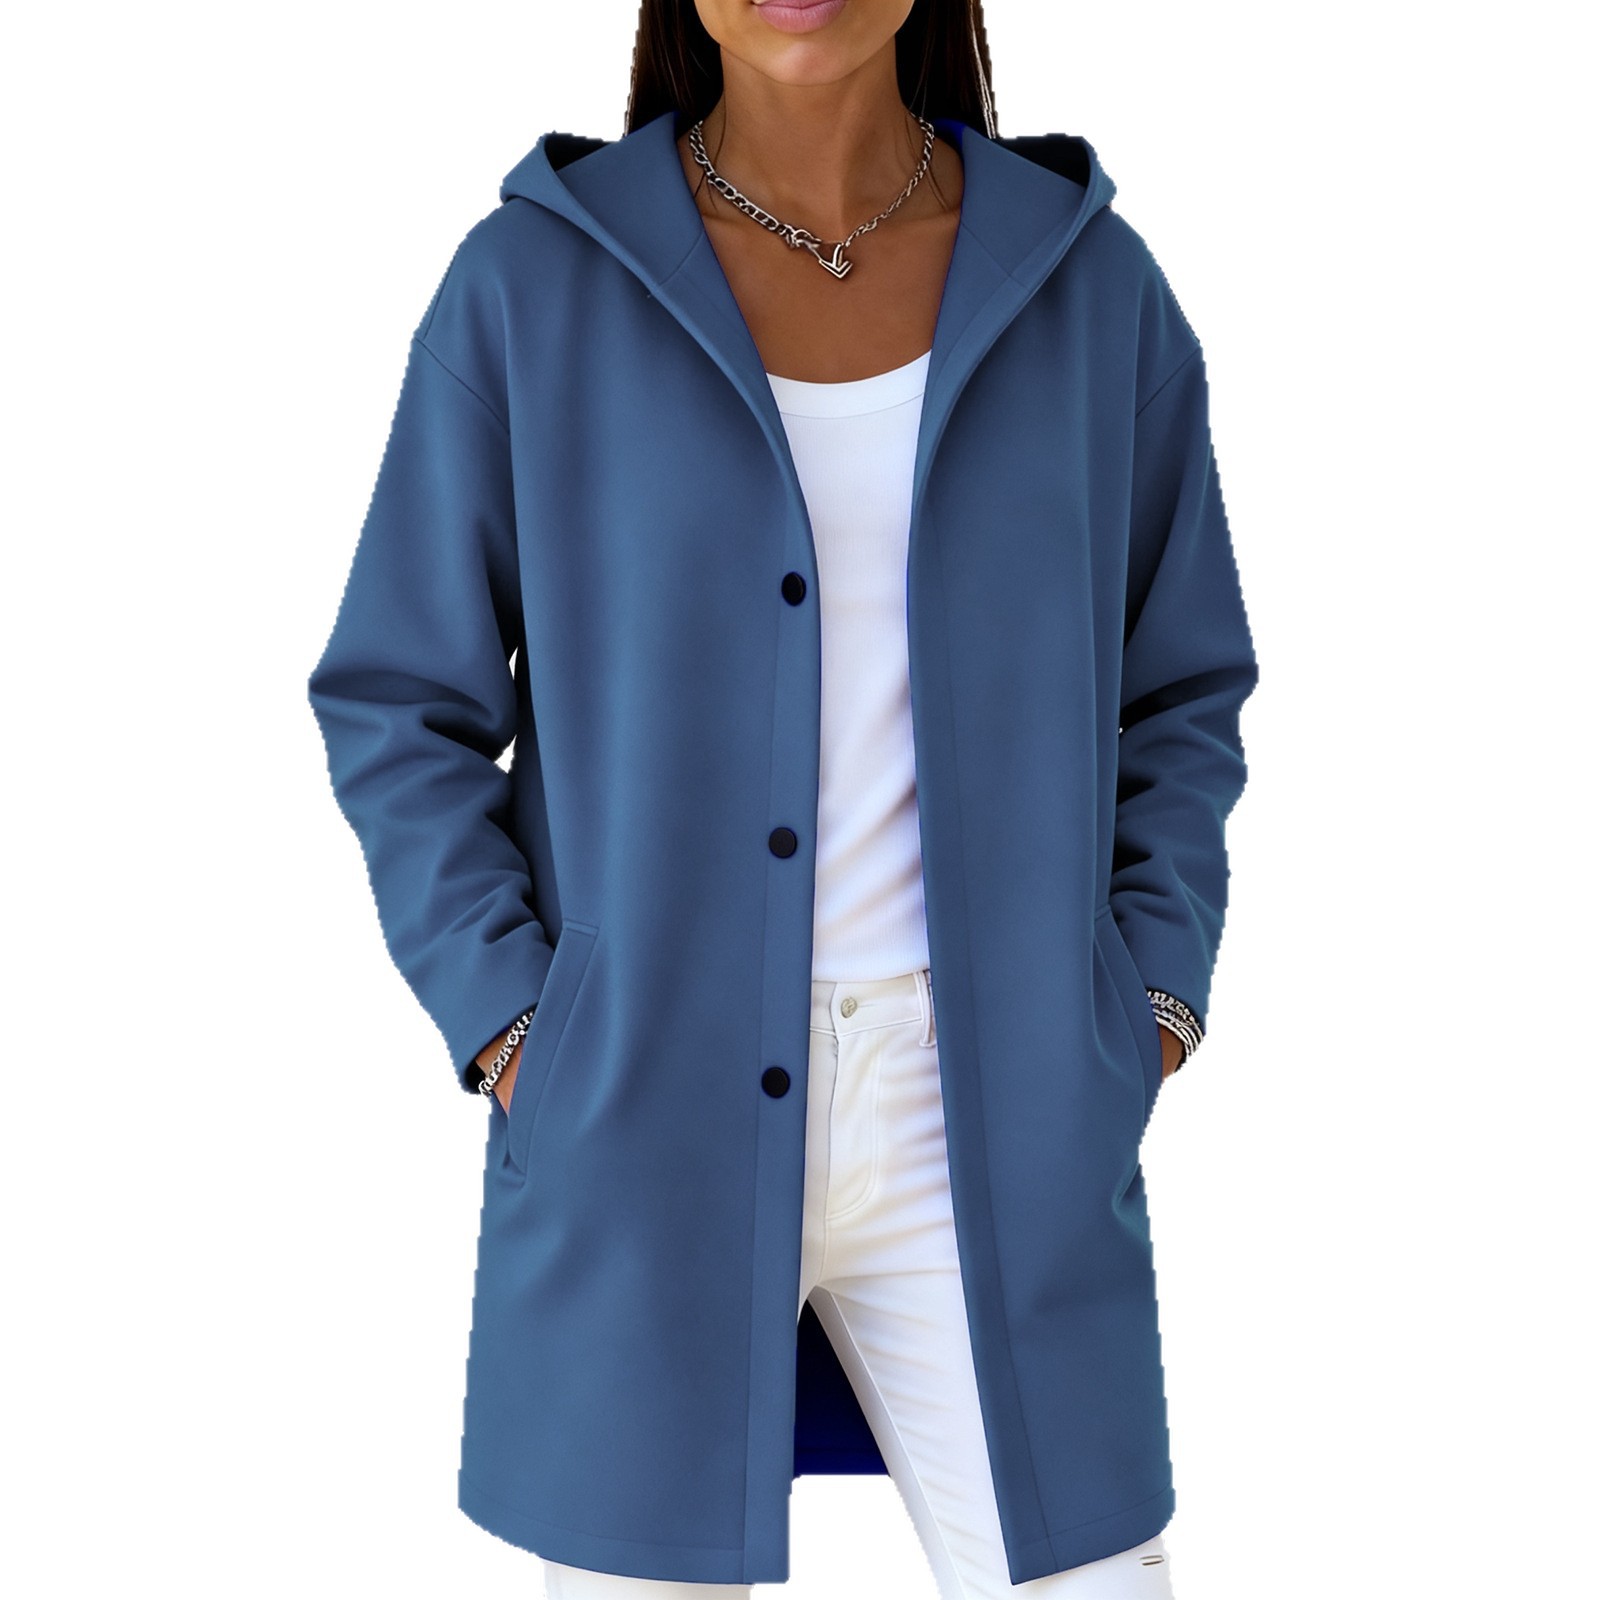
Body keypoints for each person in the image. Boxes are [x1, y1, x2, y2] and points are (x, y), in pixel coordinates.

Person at [307, 1, 1257, 1596]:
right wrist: (518, 1027)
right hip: (644, 1104)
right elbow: (399, 700)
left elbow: (1182, 691)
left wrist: (1149, 997)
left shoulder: (1091, 291)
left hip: (999, 1104)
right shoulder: (533, 287)